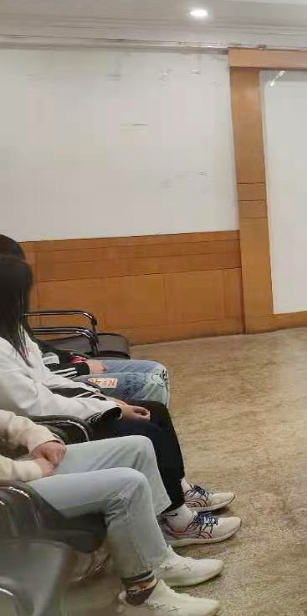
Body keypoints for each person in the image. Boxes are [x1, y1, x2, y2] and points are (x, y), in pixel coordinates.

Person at [0, 255, 240, 547]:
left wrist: (105, 399)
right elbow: (38, 406)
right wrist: (109, 408)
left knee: (155, 411)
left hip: (63, 408)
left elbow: (49, 379)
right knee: (144, 430)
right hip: (55, 428)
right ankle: (177, 521)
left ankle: (178, 491)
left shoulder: (14, 333)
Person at [2, 422, 224, 615]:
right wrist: (31, 469)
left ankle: (159, 558)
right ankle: (142, 594)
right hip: (8, 484)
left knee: (138, 447)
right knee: (127, 486)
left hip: (14, 464)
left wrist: (36, 435)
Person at [0, 234, 171, 405]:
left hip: (65, 369)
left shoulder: (11, 317)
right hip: (61, 382)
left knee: (157, 370)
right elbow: (39, 380)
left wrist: (72, 357)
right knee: (149, 383)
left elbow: (38, 348)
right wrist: (84, 368)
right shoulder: (4, 342)